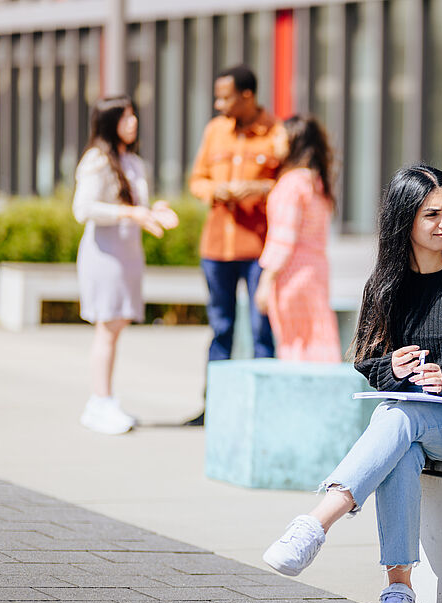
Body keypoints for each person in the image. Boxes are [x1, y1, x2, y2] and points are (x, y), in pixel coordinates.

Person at [261, 165, 442, 603]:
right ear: (405, 220)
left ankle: (316, 524)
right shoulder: (386, 283)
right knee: (401, 440)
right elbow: (366, 358)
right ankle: (399, 593)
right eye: (430, 213)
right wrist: (391, 368)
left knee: (398, 417)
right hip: (410, 426)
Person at [72, 95, 179, 435]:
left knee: (115, 329)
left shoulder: (132, 161)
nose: (133, 123)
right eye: (125, 117)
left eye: (133, 116)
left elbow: (138, 205)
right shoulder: (97, 160)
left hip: (128, 256)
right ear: (109, 122)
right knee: (106, 328)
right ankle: (99, 401)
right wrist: (130, 212)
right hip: (104, 256)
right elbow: (83, 209)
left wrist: (153, 210)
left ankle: (105, 400)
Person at [188, 64, 279, 424]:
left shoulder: (276, 134)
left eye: (224, 96)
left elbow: (290, 184)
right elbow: (197, 180)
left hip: (258, 250)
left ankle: (263, 412)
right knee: (220, 327)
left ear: (247, 96)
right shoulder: (215, 131)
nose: (218, 103)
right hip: (216, 249)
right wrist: (216, 191)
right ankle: (215, 409)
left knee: (261, 329)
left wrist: (257, 189)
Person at [252, 115, 341, 362]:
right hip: (315, 271)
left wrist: (266, 280)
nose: (274, 142)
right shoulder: (317, 182)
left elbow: (283, 238)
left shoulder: (291, 184)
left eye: (280, 136)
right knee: (319, 338)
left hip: (291, 274)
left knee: (295, 342)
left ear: (294, 141)